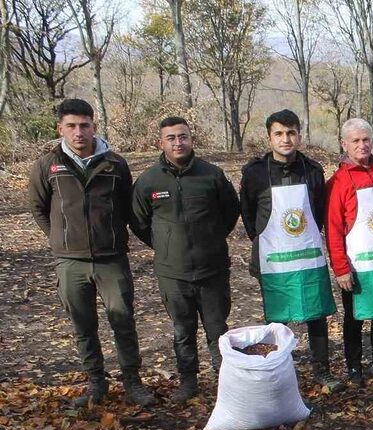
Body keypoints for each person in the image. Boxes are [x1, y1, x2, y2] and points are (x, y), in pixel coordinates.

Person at [27, 99, 155, 408]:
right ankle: (96, 383)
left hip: (111, 258)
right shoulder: (48, 165)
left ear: (93, 126)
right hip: (70, 262)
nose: (78, 132)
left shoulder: (115, 164)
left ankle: (133, 383)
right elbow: (38, 209)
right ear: (61, 129)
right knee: (83, 326)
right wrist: (60, 240)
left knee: (123, 321)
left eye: (84, 125)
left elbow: (127, 207)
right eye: (71, 126)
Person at [133, 116, 240, 402]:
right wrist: (165, 246)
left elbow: (230, 212)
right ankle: (188, 382)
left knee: (217, 329)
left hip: (212, 268)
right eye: (171, 138)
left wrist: (212, 238)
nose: (178, 142)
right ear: (161, 142)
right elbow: (139, 221)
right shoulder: (148, 181)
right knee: (183, 330)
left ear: (191, 139)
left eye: (183, 136)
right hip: (173, 273)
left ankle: (226, 380)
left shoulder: (212, 175)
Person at [240, 109, 341, 390]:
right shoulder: (255, 173)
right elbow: (248, 215)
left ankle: (322, 370)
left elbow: (320, 212)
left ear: (299, 135)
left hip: (307, 255)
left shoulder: (313, 171)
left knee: (316, 314)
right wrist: (265, 242)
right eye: (279, 134)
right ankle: (279, 370)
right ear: (269, 137)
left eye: (291, 133)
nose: (286, 139)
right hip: (273, 259)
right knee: (276, 318)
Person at [326, 117, 373, 382]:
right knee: (355, 316)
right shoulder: (338, 181)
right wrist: (340, 268)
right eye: (356, 141)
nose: (362, 145)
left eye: (366, 139)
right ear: (344, 144)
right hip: (357, 263)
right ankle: (354, 364)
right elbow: (334, 228)